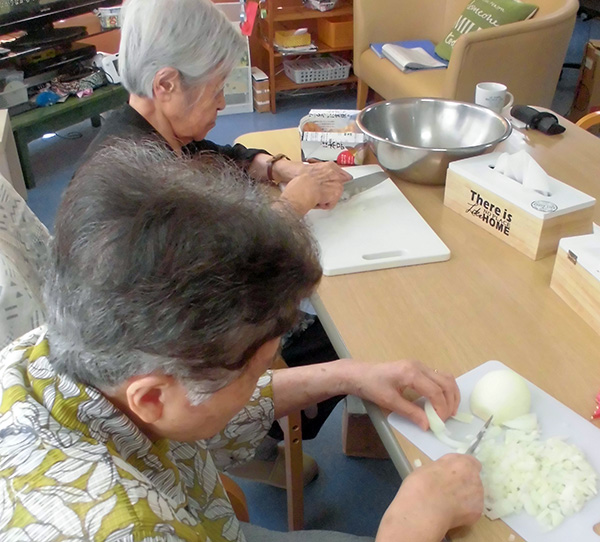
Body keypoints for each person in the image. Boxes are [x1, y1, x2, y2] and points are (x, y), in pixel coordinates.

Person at [0, 142, 483, 542]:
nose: (263, 377)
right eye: (257, 370)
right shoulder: (124, 529)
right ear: (150, 396)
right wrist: (410, 527)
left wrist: (349, 375)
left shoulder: (76, 346)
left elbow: (195, 406)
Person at [80, 0, 354, 486]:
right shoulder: (136, 181)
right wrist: (291, 203)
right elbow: (224, 261)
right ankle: (255, 439)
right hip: (172, 359)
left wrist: (276, 166)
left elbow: (214, 153)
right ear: (166, 84)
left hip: (155, 338)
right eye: (214, 91)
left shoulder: (141, 132)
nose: (223, 105)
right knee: (338, 335)